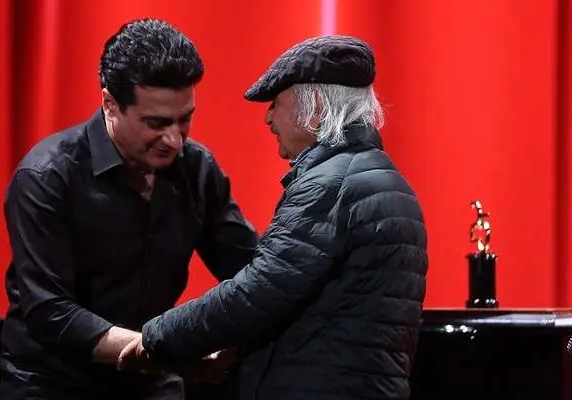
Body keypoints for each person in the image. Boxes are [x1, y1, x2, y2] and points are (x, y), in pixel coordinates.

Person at [119, 35, 429, 400]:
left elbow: (259, 292)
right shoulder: (385, 181)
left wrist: (157, 337)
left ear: (314, 107)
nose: (268, 118)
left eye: (276, 104)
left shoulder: (332, 185)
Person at [0, 18, 258, 399]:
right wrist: (160, 349)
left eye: (184, 119)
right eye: (156, 123)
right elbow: (50, 311)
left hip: (151, 381)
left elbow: (249, 273)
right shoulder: (47, 176)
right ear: (110, 104)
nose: (174, 140)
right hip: (51, 383)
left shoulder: (197, 169)